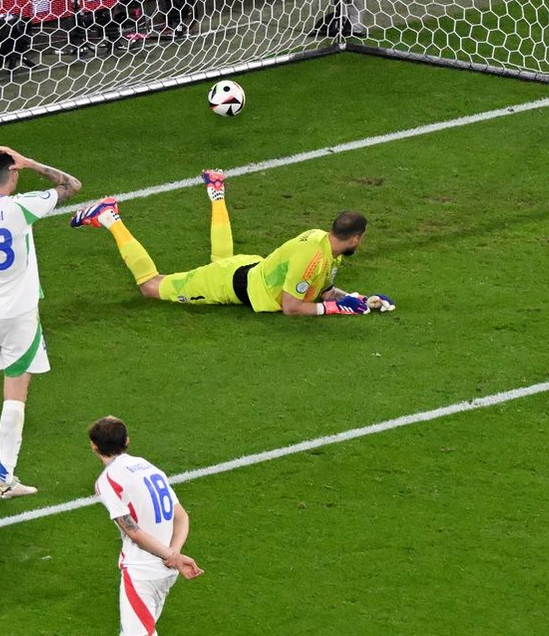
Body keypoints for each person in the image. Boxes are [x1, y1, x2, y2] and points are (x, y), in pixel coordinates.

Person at [69, 170, 393, 316]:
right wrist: (337, 309)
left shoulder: (326, 246)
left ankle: (216, 190)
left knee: (219, 261)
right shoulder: (314, 258)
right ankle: (110, 217)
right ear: (355, 238)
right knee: (152, 287)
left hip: (250, 270)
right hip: (235, 284)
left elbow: (320, 289)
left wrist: (359, 299)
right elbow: (292, 308)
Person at [90, 415, 203, 636]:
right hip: (164, 568)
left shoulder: (108, 480)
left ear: (95, 447)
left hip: (143, 568)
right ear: (127, 442)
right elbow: (182, 517)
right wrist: (175, 554)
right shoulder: (149, 467)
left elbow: (133, 532)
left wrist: (171, 556)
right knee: (146, 629)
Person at [0, 148, 81, 500]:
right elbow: (71, 185)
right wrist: (31, 163)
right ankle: (3, 475)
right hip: (18, 314)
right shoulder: (21, 207)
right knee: (16, 390)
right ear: (13, 176)